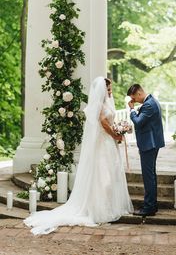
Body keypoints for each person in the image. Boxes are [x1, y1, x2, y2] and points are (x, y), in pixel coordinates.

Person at [24, 77, 133, 235]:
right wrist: (116, 135)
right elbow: (103, 123)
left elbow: (109, 122)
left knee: (110, 175)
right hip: (103, 145)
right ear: (102, 90)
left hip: (108, 143)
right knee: (104, 177)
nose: (110, 91)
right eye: (108, 89)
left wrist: (119, 129)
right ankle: (99, 209)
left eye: (110, 89)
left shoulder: (106, 103)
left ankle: (108, 206)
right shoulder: (100, 106)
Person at [127, 84, 165, 217]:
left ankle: (149, 207)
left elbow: (138, 122)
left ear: (139, 93)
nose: (134, 101)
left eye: (134, 98)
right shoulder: (151, 101)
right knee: (151, 175)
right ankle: (152, 205)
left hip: (149, 144)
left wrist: (132, 110)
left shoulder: (149, 105)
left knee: (148, 176)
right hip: (151, 143)